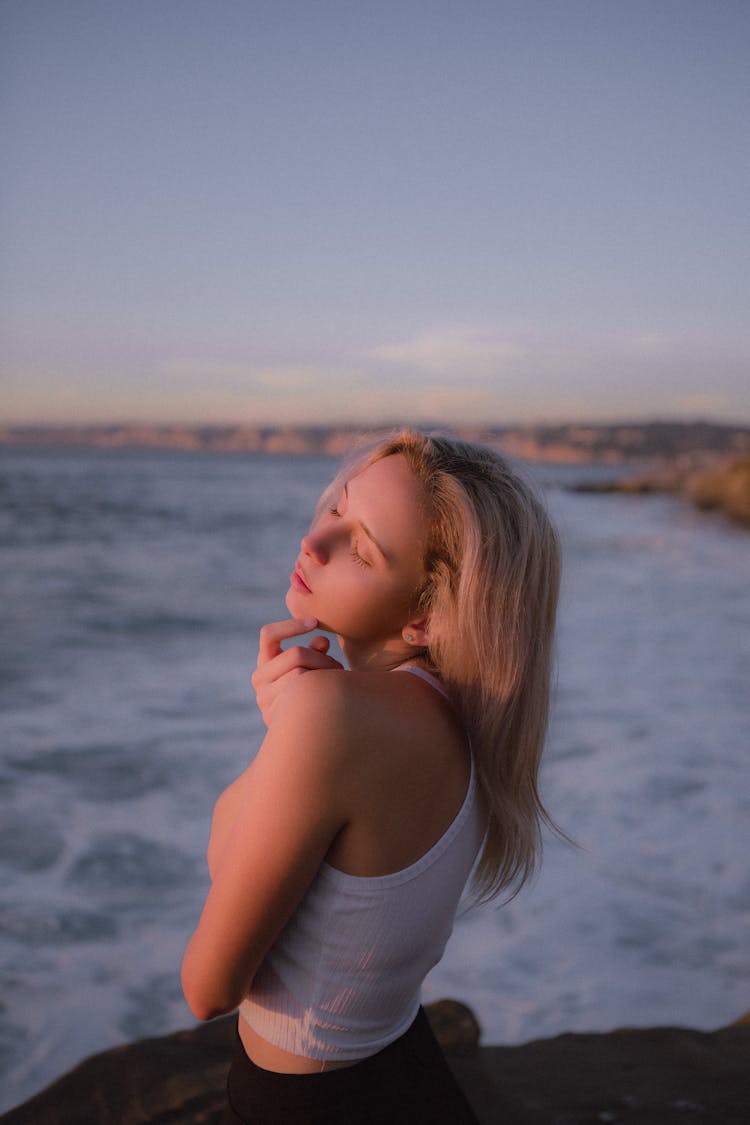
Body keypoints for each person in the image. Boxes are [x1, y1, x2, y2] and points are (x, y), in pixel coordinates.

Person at [181, 428, 561, 1123]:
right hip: (401, 1072)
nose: (313, 542)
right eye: (336, 507)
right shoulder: (469, 716)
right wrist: (287, 722)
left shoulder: (337, 716)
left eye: (359, 547)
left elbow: (208, 985)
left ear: (424, 616)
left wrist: (295, 724)